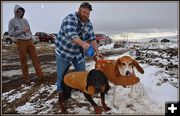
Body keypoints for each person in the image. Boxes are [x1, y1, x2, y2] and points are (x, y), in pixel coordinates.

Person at [55, 2, 103, 95]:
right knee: (61, 73)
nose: (86, 14)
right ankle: (60, 90)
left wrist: (97, 51)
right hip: (64, 51)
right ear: (79, 10)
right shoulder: (69, 18)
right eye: (84, 12)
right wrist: (83, 44)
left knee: (82, 73)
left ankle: (81, 87)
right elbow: (72, 35)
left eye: (88, 13)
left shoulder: (89, 23)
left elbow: (92, 38)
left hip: (78, 53)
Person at [8, 5, 45, 84]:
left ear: (22, 12)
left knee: (36, 59)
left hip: (29, 41)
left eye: (21, 11)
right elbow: (11, 33)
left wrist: (30, 37)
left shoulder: (25, 20)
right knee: (23, 60)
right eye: (18, 11)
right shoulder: (12, 21)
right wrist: (22, 31)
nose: (19, 13)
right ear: (15, 12)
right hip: (21, 42)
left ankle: (40, 75)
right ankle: (26, 79)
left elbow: (29, 30)